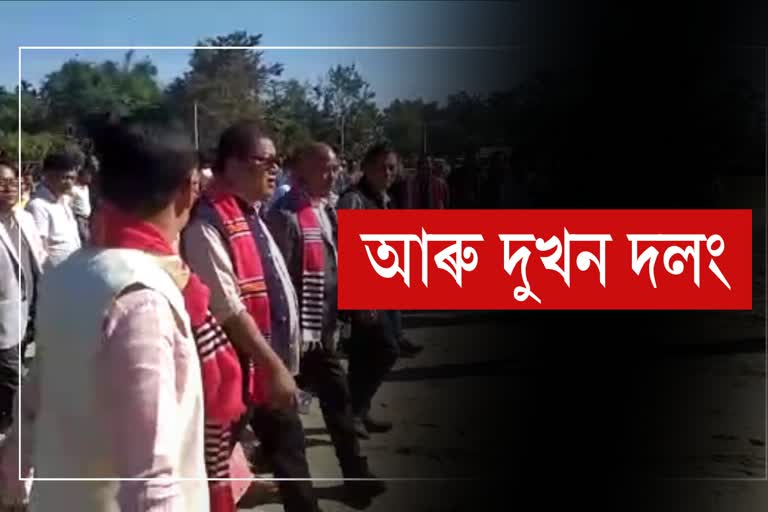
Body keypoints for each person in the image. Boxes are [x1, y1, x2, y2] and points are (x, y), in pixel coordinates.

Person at [0, 121, 211, 511]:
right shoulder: (141, 296)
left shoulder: (69, 275)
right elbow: (151, 480)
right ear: (189, 189)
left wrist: (14, 467)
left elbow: (34, 400)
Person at [182, 120, 319, 512]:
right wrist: (273, 365)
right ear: (232, 165)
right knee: (213, 472)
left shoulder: (251, 212)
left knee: (292, 460)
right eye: (266, 160)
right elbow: (227, 308)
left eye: (278, 161)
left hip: (266, 364)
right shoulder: (206, 222)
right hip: (237, 373)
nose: (275, 169)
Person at [266, 142, 387, 506]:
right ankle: (355, 476)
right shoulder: (286, 214)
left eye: (335, 168)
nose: (333, 174)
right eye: (325, 168)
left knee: (323, 403)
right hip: (299, 333)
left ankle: (354, 475)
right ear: (301, 171)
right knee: (330, 400)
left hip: (325, 328)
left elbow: (339, 261)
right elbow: (278, 278)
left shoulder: (329, 208)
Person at [337, 143, 408, 439]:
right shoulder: (354, 200)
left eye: (392, 167)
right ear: (366, 167)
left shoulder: (383, 199)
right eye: (381, 167)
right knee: (385, 350)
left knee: (368, 355)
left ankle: (359, 410)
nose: (388, 173)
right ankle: (353, 411)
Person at [0, 159, 45, 436]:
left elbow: (40, 260)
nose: (9, 188)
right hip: (4, 319)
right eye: (2, 184)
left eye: (12, 182)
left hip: (28, 311)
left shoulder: (25, 219)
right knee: (14, 379)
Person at [26, 152, 81, 269]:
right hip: (54, 274)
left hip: (72, 268)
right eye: (65, 177)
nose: (69, 183)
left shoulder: (64, 202)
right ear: (48, 175)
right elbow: (39, 246)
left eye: (73, 178)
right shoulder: (38, 206)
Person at [70, 161, 94, 244]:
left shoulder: (86, 188)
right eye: (87, 176)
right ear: (81, 177)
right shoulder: (74, 189)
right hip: (79, 218)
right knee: (85, 239)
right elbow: (69, 203)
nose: (90, 178)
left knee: (88, 238)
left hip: (87, 218)